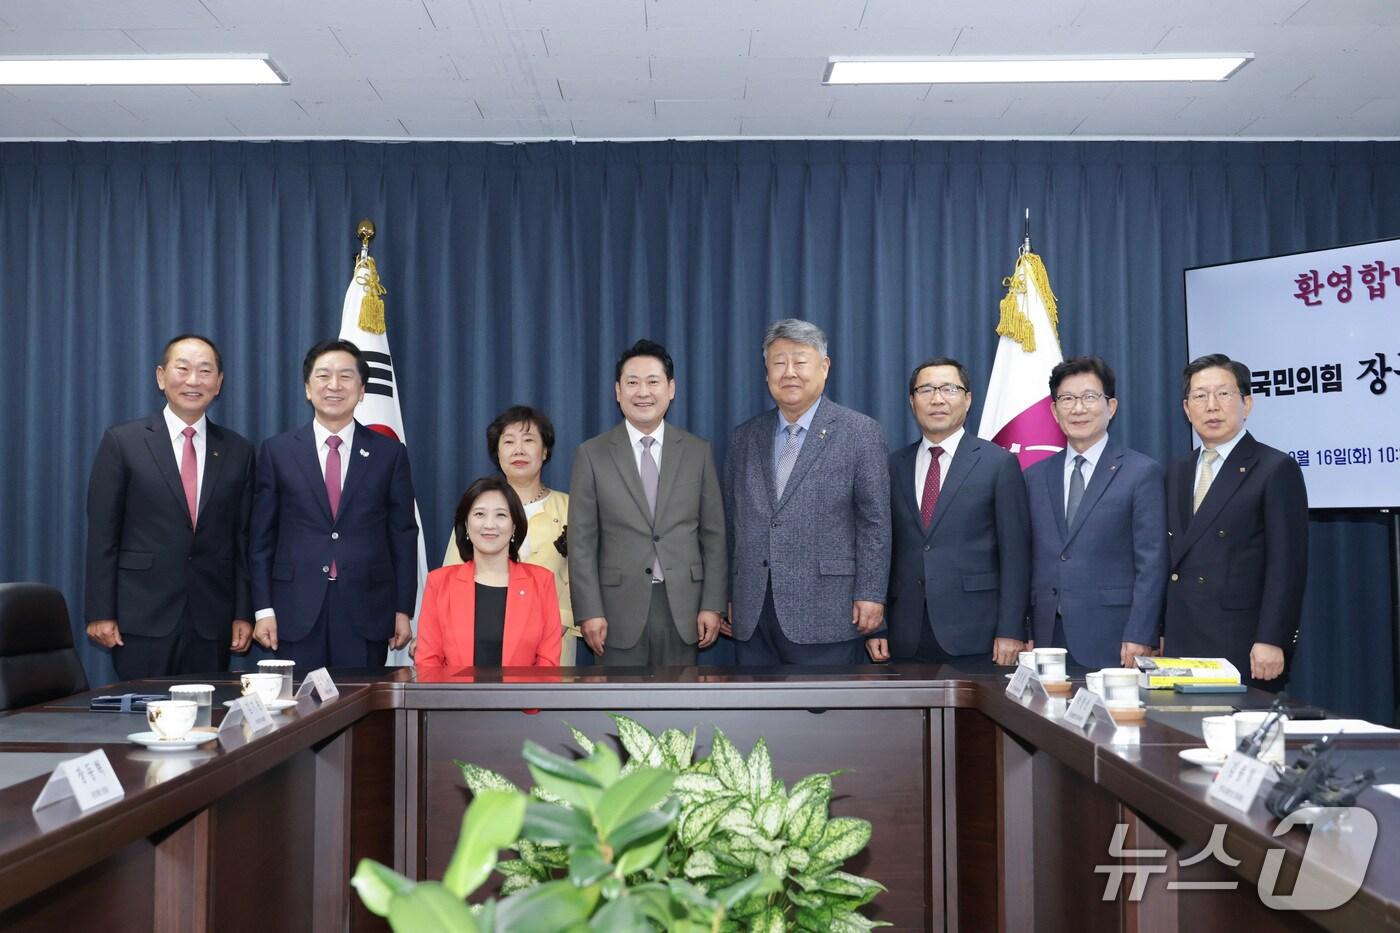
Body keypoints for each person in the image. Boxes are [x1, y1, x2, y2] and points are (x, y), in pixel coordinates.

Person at [84, 334, 254, 678]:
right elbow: (103, 533)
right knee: (142, 722)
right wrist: (101, 611)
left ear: (219, 383)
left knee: (206, 722)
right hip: (141, 616)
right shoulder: (123, 442)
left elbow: (242, 539)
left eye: (205, 371)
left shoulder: (238, 450)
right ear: (161, 377)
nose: (194, 380)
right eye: (183, 369)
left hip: (211, 620)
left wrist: (242, 612)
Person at [723, 319, 890, 665]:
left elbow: (874, 522)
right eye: (779, 362)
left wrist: (871, 594)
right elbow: (729, 521)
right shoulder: (745, 436)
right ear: (767, 371)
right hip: (753, 613)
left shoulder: (860, 432)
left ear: (824, 367)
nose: (789, 372)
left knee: (821, 718)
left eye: (800, 361)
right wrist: (726, 592)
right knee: (753, 718)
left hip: (827, 611)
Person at [250, 339, 418, 668]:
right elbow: (260, 539)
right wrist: (263, 609)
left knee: (361, 711)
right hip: (294, 609)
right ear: (307, 389)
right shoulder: (277, 451)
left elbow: (402, 534)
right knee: (298, 713)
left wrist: (402, 609)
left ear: (362, 390)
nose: (334, 385)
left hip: (366, 608)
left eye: (345, 376)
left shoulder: (389, 454)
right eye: (323, 376)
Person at [568, 339, 726, 665]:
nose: (643, 392)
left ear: (671, 389)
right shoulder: (592, 454)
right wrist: (589, 611)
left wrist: (712, 603)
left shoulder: (698, 452)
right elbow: (581, 542)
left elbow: (714, 535)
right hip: (615, 610)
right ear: (617, 391)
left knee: (680, 712)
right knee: (619, 711)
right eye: (632, 382)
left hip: (683, 605)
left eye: (653, 381)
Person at [1165, 353, 1308, 690]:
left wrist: (1273, 639)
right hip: (1181, 641)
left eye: (1224, 394)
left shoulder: (1274, 468)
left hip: (1241, 644)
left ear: (1247, 403)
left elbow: (1287, 566)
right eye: (1200, 396)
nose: (1211, 406)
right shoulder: (1177, 471)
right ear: (1187, 408)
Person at [873, 357, 1029, 665]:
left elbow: (1016, 554)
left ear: (968, 399)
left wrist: (1011, 629)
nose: (937, 399)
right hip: (904, 634)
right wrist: (878, 625)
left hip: (977, 632)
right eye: (926, 390)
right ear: (911, 400)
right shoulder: (892, 465)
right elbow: (879, 550)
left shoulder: (998, 464)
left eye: (949, 388)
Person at [1023, 357, 1167, 669]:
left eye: (1089, 397)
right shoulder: (1034, 476)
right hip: (1047, 637)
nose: (1078, 409)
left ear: (1111, 406)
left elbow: (1152, 562)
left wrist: (1142, 632)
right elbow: (1027, 558)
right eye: (1067, 399)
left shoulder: (1141, 472)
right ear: (1053, 410)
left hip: (1114, 637)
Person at [442, 407, 577, 663]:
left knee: (546, 702)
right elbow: (453, 574)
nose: (519, 450)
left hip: (552, 643)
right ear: (497, 452)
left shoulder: (571, 508)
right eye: (508, 441)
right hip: (480, 641)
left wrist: (557, 623)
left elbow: (585, 576)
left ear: (545, 451)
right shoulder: (478, 506)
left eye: (528, 440)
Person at [417, 477, 561, 668]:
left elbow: (548, 663)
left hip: (524, 698)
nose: (489, 524)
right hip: (455, 697)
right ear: (466, 525)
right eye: (479, 514)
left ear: (514, 526)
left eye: (501, 515)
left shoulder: (541, 582)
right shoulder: (439, 583)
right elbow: (428, 662)